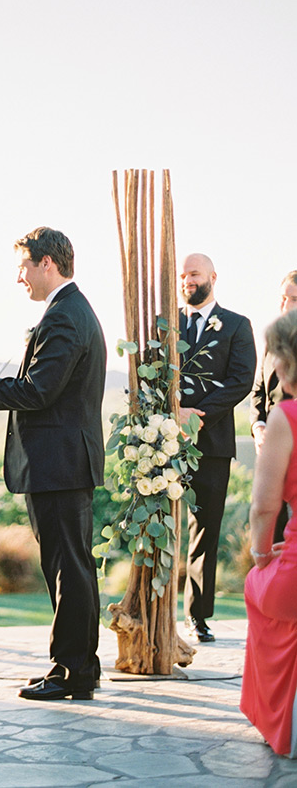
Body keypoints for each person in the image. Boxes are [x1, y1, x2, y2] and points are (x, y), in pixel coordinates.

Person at [0, 226, 106, 701]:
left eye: (23, 265)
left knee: (67, 568)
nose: (19, 277)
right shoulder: (69, 310)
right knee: (75, 566)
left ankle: (68, 671)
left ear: (47, 263)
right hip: (64, 463)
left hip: (59, 464)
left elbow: (39, 390)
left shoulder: (64, 316)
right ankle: (82, 667)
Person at [178, 253, 257, 643]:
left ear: (212, 276)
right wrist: (173, 412)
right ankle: (149, 606)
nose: (187, 280)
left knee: (204, 530)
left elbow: (242, 380)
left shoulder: (237, 325)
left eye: (193, 273)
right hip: (162, 439)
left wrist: (196, 414)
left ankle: (197, 615)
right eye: (182, 275)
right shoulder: (165, 324)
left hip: (211, 445)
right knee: (153, 523)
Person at [240, 309, 297, 757]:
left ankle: (281, 722)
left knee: (259, 586)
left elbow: (263, 507)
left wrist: (262, 554)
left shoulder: (286, 417)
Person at [249, 271, 297, 543]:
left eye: (293, 299)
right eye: (282, 298)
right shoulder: (272, 341)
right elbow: (258, 391)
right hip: (272, 450)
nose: (285, 305)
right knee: (273, 529)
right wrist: (259, 426)